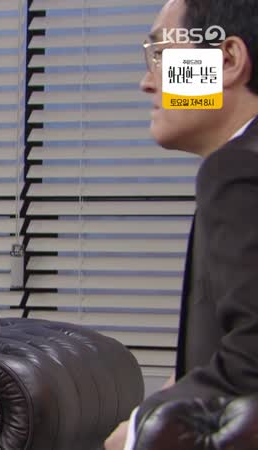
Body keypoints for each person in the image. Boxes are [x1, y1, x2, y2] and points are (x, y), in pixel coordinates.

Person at [105, 0, 258, 448]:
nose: (146, 82)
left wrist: (139, 431)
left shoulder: (238, 169)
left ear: (227, 60)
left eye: (161, 55)